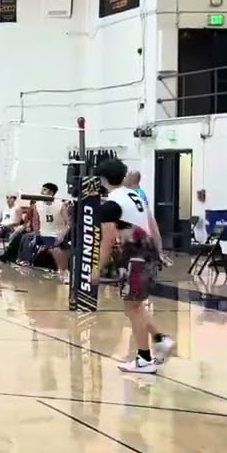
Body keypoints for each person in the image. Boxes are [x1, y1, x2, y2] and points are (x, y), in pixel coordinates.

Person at [93, 158, 175, 373]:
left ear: (102, 179)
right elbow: (152, 224)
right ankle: (160, 339)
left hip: (133, 255)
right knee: (135, 306)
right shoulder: (135, 195)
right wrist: (159, 252)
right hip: (145, 251)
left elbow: (107, 240)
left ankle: (144, 359)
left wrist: (97, 268)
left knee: (132, 307)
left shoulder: (111, 204)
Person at [31, 183, 70, 279]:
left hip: (58, 235)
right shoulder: (37, 205)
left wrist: (62, 235)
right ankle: (62, 271)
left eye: (44, 190)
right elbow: (35, 223)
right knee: (53, 246)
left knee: (61, 247)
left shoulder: (60, 205)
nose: (41, 192)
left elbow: (68, 223)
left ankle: (64, 271)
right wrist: (37, 236)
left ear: (51, 193)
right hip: (44, 235)